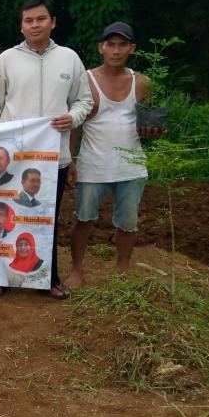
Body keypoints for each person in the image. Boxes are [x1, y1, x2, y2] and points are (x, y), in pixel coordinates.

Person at [0, 0, 93, 299]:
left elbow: (85, 100)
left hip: (53, 158)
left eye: (41, 19)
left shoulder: (69, 58)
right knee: (4, 215)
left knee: (47, 218)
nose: (35, 25)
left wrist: (72, 117)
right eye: (28, 20)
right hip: (13, 160)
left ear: (53, 22)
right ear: (21, 26)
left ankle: (49, 279)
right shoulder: (7, 59)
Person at [67, 22, 163, 288]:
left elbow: (146, 121)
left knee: (128, 222)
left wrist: (152, 131)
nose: (116, 50)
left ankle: (121, 270)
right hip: (93, 163)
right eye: (111, 44)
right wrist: (70, 159)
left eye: (123, 45)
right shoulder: (85, 80)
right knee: (83, 218)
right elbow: (75, 122)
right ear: (101, 47)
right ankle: (76, 269)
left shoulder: (142, 83)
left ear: (131, 48)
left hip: (131, 165)